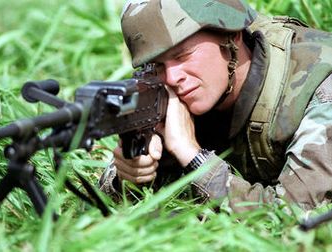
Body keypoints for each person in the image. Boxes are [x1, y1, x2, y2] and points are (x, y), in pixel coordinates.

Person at [99, 0, 332, 212]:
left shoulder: (320, 91)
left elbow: (294, 218)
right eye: (158, 64)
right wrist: (129, 175)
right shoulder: (173, 86)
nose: (171, 77)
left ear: (231, 37)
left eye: (183, 56)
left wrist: (193, 156)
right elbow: (109, 202)